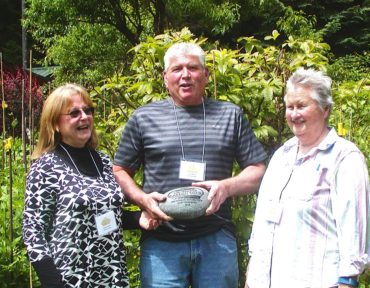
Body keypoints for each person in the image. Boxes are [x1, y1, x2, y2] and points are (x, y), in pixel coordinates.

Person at [113, 42, 267, 287]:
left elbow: (257, 171)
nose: (185, 75)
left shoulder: (230, 115)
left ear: (206, 75)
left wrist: (226, 187)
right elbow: (120, 171)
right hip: (162, 240)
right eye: (177, 69)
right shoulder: (144, 118)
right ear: (165, 78)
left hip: (216, 237)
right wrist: (142, 199)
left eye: (193, 68)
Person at [23, 83, 158, 288]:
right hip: (70, 279)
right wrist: (53, 283)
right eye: (74, 113)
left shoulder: (102, 161)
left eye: (88, 110)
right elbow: (33, 232)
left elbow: (105, 214)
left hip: (112, 275)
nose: (84, 117)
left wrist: (140, 218)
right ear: (55, 123)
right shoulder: (46, 167)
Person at [245, 68, 369, 288]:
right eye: (290, 107)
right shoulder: (281, 157)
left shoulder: (344, 158)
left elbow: (354, 234)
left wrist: (347, 282)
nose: (294, 114)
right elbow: (262, 228)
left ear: (325, 110)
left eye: (302, 106)